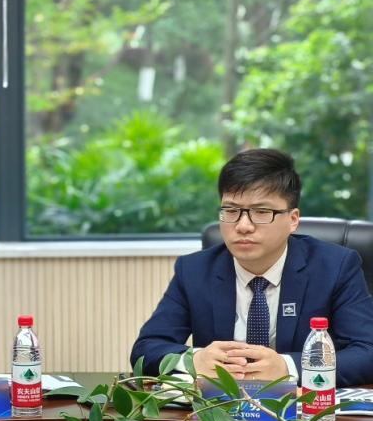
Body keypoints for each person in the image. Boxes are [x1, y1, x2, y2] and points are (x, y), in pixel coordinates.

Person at [131, 148, 373, 384]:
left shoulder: (335, 267)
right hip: (220, 407)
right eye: (231, 211)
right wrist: (193, 360)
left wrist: (287, 367)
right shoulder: (194, 270)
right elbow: (146, 348)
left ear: (293, 220)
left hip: (303, 406)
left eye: (261, 211)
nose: (243, 226)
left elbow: (367, 352)